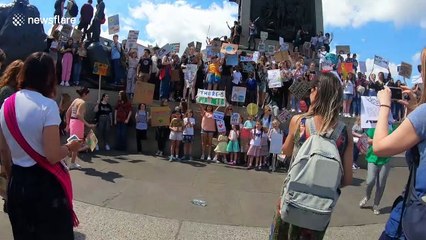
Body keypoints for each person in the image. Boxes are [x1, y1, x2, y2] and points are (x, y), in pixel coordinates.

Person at [0, 52, 82, 239]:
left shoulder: (6, 104)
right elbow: (52, 155)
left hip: (17, 181)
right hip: (45, 186)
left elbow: (4, 151)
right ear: (49, 77)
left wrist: (13, 178)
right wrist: (71, 147)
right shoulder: (48, 106)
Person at [278, 72, 353, 239]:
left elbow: (285, 151)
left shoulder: (299, 121)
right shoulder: (345, 132)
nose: (309, 92)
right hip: (320, 209)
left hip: (293, 199)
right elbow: (347, 179)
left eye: (312, 88)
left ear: (317, 91)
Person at [374, 48, 426, 239]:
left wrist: (384, 105)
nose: (420, 73)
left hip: (414, 217)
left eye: (422, 68)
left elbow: (379, 148)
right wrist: (414, 110)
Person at [359, 126, 394, 215]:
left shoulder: (390, 128)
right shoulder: (373, 127)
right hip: (372, 158)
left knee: (381, 184)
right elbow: (366, 140)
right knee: (370, 181)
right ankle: (367, 196)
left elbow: (393, 142)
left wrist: (378, 141)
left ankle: (376, 204)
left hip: (385, 159)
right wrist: (380, 141)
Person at [66, 87, 96, 169]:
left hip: (73, 123)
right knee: (75, 144)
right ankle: (67, 161)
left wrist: (67, 124)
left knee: (75, 143)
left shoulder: (76, 100)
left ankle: (71, 162)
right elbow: (79, 115)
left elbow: (68, 112)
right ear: (84, 94)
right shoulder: (82, 102)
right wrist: (88, 124)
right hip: (78, 124)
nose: (89, 96)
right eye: (88, 94)